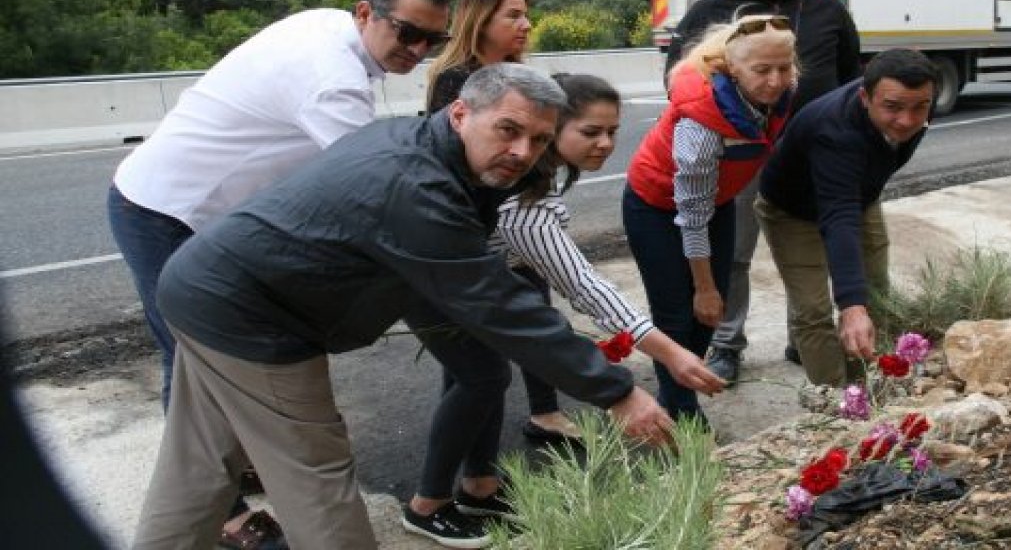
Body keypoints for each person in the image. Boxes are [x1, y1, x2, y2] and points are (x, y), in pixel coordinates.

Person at [130, 65, 672, 550]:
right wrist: (616, 392)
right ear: (460, 113)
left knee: (199, 464)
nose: (523, 152)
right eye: (508, 130)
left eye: (538, 139)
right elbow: (497, 303)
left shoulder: (433, 152)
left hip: (202, 290)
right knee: (317, 478)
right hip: (249, 318)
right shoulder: (417, 186)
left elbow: (466, 287)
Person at [107, 0, 451, 549]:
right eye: (407, 33)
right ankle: (229, 514)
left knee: (208, 366)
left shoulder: (329, 27)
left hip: (210, 216)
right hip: (168, 212)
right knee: (192, 358)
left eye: (433, 40)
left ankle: (227, 475)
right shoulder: (332, 78)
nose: (417, 50)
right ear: (365, 13)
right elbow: (370, 190)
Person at [404, 73, 725, 540]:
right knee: (482, 376)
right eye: (590, 132)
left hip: (458, 273)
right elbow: (583, 284)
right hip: (432, 277)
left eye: (613, 131)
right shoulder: (526, 204)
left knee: (478, 374)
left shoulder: (538, 175)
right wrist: (670, 352)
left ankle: (478, 487)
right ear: (557, 128)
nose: (606, 144)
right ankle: (427, 504)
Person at [665, 0, 863, 383]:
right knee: (733, 253)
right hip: (737, 157)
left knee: (809, 248)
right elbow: (678, 80)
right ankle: (727, 343)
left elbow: (853, 82)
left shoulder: (828, 11)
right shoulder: (709, 11)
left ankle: (805, 335)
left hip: (809, 157)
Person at [422, 0, 583, 444]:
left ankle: (545, 412)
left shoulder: (523, 77)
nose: (525, 24)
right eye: (513, 15)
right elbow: (467, 168)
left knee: (537, 311)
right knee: (472, 349)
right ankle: (463, 446)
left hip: (518, 222)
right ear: (481, 18)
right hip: (478, 231)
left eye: (526, 15)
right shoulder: (458, 81)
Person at [624, 15, 797, 423]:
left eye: (783, 68)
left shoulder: (782, 92)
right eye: (761, 70)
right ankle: (682, 415)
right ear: (731, 69)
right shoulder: (700, 126)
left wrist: (710, 293)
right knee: (679, 312)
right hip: (656, 206)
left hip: (716, 201)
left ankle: (679, 390)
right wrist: (703, 286)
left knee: (711, 314)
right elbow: (692, 213)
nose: (775, 80)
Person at [756, 49, 936, 387]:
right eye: (893, 108)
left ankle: (866, 383)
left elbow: (881, 160)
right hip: (791, 209)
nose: (908, 120)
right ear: (865, 97)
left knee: (877, 293)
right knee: (813, 311)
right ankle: (840, 407)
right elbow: (838, 218)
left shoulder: (919, 101)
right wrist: (851, 305)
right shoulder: (835, 132)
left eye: (919, 107)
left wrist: (861, 303)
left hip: (858, 194)